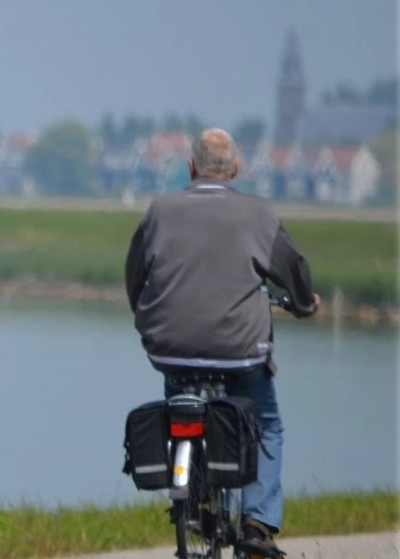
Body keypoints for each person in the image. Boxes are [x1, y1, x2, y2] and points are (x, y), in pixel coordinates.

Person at [124, 128, 319, 557]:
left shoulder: (158, 210)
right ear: (235, 169)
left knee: (180, 397)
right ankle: (257, 523)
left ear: (190, 167)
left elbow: (134, 275)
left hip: (170, 349)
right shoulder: (259, 214)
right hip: (241, 353)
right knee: (265, 424)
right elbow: (294, 272)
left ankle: (191, 494)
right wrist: (305, 305)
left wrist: (146, 315)